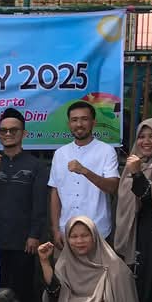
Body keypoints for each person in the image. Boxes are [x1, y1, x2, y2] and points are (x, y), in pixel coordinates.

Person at [0, 108, 48, 302]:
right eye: (3, 130)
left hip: (23, 241)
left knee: (22, 291)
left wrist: (34, 235)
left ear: (24, 133)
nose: (8, 134)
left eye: (13, 130)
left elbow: (39, 203)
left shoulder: (36, 165)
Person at [49, 101, 120, 246]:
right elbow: (55, 192)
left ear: (93, 122)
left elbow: (113, 187)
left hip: (98, 231)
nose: (79, 124)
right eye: (74, 120)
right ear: (69, 124)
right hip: (66, 230)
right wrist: (55, 229)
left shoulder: (106, 151)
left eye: (84, 119)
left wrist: (85, 171)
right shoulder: (60, 153)